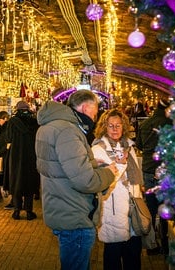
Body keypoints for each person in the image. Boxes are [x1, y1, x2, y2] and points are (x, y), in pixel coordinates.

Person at [35, 90, 117, 269]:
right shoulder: (68, 131)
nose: (94, 119)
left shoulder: (50, 126)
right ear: (86, 107)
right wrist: (109, 172)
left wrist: (93, 163)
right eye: (95, 113)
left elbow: (63, 167)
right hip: (75, 214)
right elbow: (85, 180)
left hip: (61, 205)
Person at [91, 108, 144, 270]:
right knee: (113, 255)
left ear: (124, 127)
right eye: (110, 126)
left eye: (118, 125)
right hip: (112, 208)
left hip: (133, 205)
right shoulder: (98, 149)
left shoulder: (129, 146)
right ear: (104, 127)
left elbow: (136, 176)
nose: (115, 129)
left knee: (133, 254)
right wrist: (120, 164)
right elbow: (103, 181)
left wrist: (139, 192)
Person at [135, 97, 173, 256]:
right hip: (165, 170)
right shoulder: (170, 125)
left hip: (149, 169)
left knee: (150, 209)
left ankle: (151, 245)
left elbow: (139, 146)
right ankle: (166, 245)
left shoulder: (145, 124)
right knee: (166, 209)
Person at [4, 101, 40, 220]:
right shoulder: (34, 122)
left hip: (16, 156)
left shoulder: (13, 122)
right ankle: (29, 211)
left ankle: (17, 211)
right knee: (29, 182)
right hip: (31, 155)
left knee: (16, 180)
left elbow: (8, 138)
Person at [0, 111, 13, 209]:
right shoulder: (6, 129)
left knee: (9, 178)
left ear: (5, 118)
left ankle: (14, 201)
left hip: (7, 157)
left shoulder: (6, 130)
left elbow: (6, 145)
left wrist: (0, 150)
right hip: (7, 157)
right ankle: (13, 200)